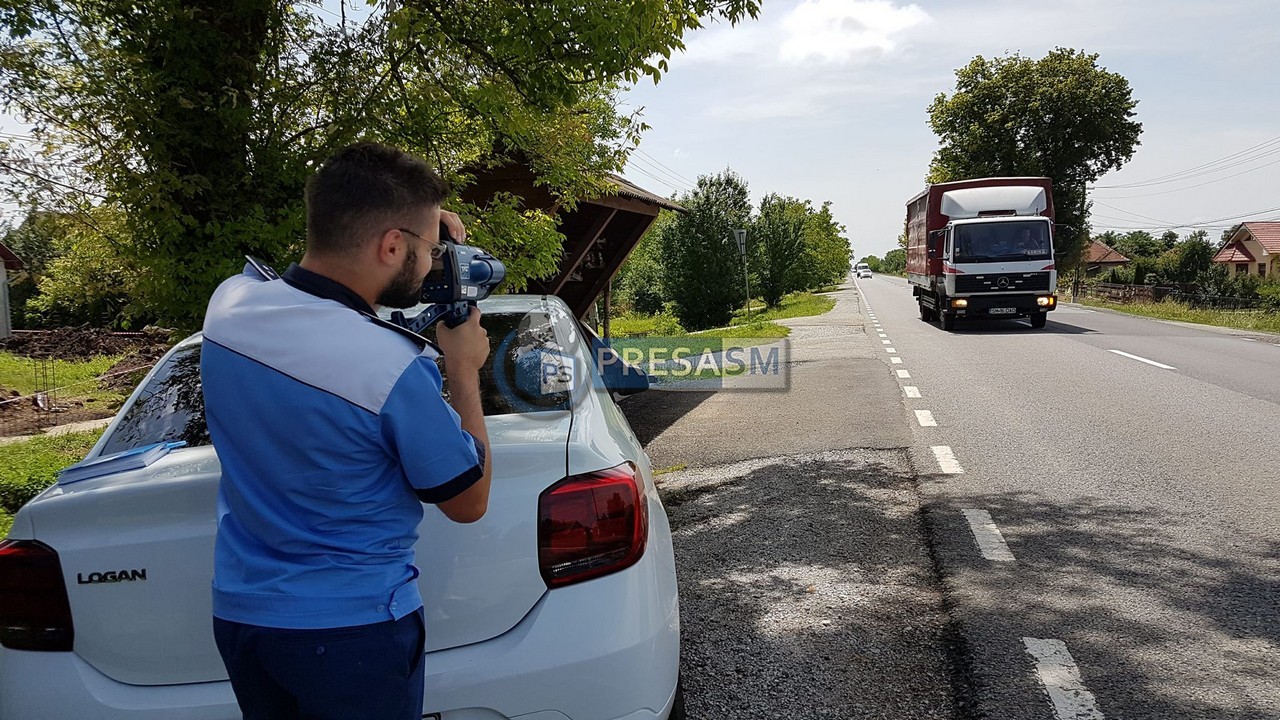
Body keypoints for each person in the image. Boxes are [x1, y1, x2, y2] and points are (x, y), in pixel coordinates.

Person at [200, 142, 493, 720]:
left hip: (243, 620)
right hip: (354, 631)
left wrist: (421, 227)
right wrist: (463, 371)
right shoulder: (390, 367)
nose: (433, 262)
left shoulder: (228, 307)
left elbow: (316, 294)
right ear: (391, 246)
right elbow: (468, 502)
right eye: (427, 250)